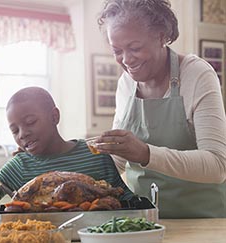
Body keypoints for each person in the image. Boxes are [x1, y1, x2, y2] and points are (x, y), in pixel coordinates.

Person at [94, 0, 226, 218]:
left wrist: (146, 153)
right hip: (142, 220)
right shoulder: (125, 84)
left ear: (162, 35)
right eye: (117, 50)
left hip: (203, 220)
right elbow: (117, 160)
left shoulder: (197, 75)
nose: (126, 60)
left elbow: (217, 165)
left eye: (135, 48)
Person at [0, 87, 133, 210]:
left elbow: (124, 198)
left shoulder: (94, 155)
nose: (22, 134)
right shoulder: (19, 166)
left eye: (30, 122)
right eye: (14, 130)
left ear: (54, 116)